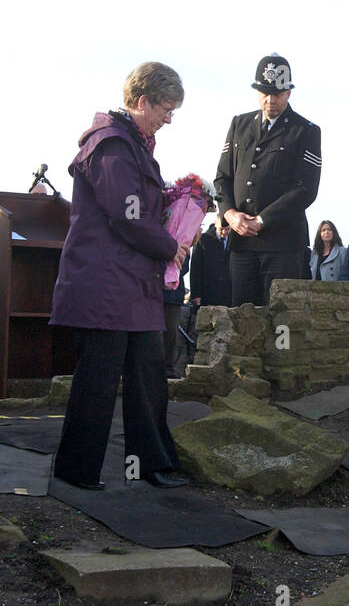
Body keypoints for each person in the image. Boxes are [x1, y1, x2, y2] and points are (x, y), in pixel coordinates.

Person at [49, 61, 190, 491]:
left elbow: (137, 209)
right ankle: (77, 470)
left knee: (148, 376)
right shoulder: (110, 145)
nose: (169, 119)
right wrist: (172, 246)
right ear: (142, 101)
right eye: (166, 108)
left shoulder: (133, 144)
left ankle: (151, 463)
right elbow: (126, 215)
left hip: (132, 284)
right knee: (99, 378)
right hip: (105, 285)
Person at [215, 53, 322, 306]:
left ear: (288, 93)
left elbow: (305, 189)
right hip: (242, 245)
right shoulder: (239, 124)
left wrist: (262, 220)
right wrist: (229, 214)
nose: (270, 99)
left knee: (280, 320)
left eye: (277, 93)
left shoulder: (306, 131)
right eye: (264, 92)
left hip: (283, 245)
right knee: (241, 317)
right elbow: (221, 179)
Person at [190, 221, 234, 309]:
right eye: (221, 229)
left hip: (229, 294)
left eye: (227, 229)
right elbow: (195, 268)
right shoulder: (203, 240)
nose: (224, 232)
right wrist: (196, 294)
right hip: (208, 293)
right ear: (215, 224)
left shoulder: (235, 240)